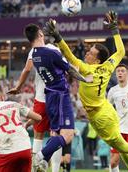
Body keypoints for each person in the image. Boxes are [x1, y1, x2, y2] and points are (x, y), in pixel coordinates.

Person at [43, 10, 128, 172]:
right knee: (120, 146)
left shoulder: (86, 69)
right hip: (106, 109)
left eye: (90, 53)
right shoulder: (108, 66)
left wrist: (59, 37)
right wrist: (114, 29)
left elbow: (69, 55)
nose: (87, 54)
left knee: (123, 146)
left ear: (96, 59)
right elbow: (121, 52)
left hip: (100, 116)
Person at [23, 23, 93, 172]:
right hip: (60, 96)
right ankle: (40, 156)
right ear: (41, 34)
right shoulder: (51, 53)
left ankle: (43, 160)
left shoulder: (34, 55)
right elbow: (70, 70)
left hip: (50, 96)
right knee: (67, 135)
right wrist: (84, 79)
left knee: (55, 133)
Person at [8, 42, 64, 172]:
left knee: (38, 134)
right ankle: (54, 170)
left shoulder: (35, 51)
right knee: (56, 135)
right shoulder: (57, 51)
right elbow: (66, 71)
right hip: (56, 97)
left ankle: (34, 168)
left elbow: (27, 69)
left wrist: (18, 87)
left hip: (41, 98)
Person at [0, 84, 42, 172]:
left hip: (7, 151)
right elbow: (38, 118)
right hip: (25, 148)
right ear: (2, 96)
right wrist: (27, 124)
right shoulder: (14, 104)